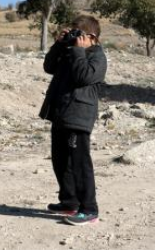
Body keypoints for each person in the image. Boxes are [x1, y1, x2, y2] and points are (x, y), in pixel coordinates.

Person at [40, 15, 107, 226]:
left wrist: (78, 51)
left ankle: (89, 210)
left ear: (92, 37)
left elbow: (83, 77)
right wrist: (59, 45)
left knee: (79, 165)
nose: (75, 38)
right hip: (61, 113)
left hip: (79, 117)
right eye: (72, 33)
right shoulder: (69, 52)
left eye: (78, 34)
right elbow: (49, 67)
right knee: (60, 162)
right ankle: (69, 202)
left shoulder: (98, 57)